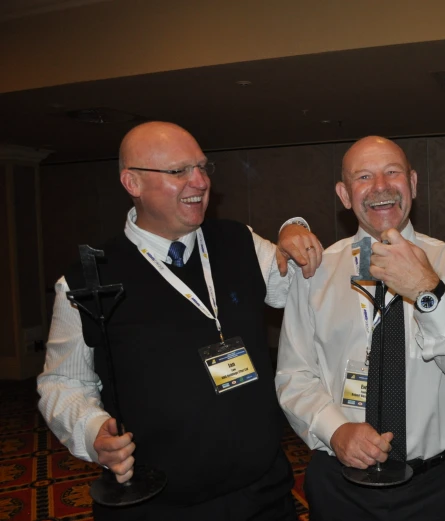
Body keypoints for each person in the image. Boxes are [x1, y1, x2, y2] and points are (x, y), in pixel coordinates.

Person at [37, 121, 325, 521]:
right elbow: (62, 383)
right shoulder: (88, 280)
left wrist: (294, 228)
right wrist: (91, 430)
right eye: (178, 171)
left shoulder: (238, 241)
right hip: (157, 506)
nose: (200, 181)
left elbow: (296, 281)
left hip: (262, 495)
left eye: (203, 167)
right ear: (132, 183)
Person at [275, 136, 445, 521]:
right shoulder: (316, 270)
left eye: (392, 172)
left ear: (412, 183)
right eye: (364, 176)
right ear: (345, 194)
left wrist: (428, 291)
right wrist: (337, 430)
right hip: (340, 484)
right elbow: (295, 375)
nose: (380, 187)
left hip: (436, 485)